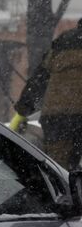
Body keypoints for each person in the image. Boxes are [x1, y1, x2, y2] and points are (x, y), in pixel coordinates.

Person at [11, 24, 82, 170]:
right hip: (71, 114)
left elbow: (40, 77)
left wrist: (24, 107)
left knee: (59, 168)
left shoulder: (63, 41)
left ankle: (61, 181)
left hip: (56, 117)